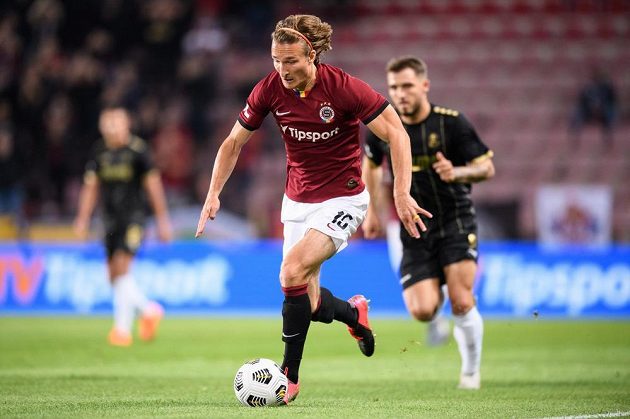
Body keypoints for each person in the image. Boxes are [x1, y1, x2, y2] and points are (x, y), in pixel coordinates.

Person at [195, 15, 431, 404]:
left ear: (314, 55)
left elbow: (397, 134)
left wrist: (401, 194)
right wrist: (213, 193)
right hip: (297, 202)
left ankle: (289, 376)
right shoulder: (269, 89)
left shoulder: (343, 89)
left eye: (291, 61)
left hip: (343, 199)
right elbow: (232, 143)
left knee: (290, 272)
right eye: (276, 60)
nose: (282, 70)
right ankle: (355, 316)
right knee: (311, 300)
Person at [362, 56, 495, 390]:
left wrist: (458, 171)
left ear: (424, 85)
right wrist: (373, 212)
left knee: (462, 299)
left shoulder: (452, 123)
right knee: (422, 310)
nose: (400, 93)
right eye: (394, 87)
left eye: (407, 85)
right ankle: (436, 314)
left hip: (455, 220)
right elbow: (372, 166)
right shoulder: (383, 127)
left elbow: (486, 168)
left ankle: (470, 371)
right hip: (413, 228)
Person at [74, 106, 173, 347]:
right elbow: (91, 187)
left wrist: (162, 220)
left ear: (126, 124)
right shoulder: (99, 152)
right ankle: (147, 310)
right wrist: (83, 217)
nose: (111, 128)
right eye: (107, 123)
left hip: (134, 218)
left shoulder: (138, 152)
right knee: (113, 275)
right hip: (109, 219)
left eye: (116, 122)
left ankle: (121, 330)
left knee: (122, 267)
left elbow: (153, 186)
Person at [569, 67, 617, 146]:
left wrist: (601, 106)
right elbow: (581, 101)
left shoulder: (607, 88)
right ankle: (574, 139)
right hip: (588, 110)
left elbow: (613, 100)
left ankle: (608, 138)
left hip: (604, 110)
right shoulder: (587, 89)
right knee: (576, 114)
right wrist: (591, 106)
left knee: (609, 112)